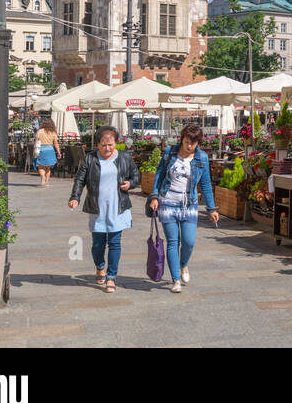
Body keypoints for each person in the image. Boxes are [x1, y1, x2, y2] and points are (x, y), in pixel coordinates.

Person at [149, 123, 219, 293]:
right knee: (173, 242)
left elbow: (206, 184)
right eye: (187, 142)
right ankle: (176, 280)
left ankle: (184, 265)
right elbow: (159, 174)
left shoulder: (201, 158)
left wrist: (211, 208)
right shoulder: (170, 152)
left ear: (198, 143)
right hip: (168, 201)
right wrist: (155, 195)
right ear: (182, 139)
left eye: (193, 144)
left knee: (189, 241)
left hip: (189, 203)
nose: (189, 146)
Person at [68, 125, 137, 293]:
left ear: (116, 144)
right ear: (97, 144)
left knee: (114, 243)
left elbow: (135, 175)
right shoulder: (90, 159)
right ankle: (100, 266)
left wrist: (131, 183)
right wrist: (75, 197)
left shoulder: (125, 158)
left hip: (118, 207)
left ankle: (111, 277)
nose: (107, 148)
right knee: (98, 244)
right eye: (103, 145)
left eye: (111, 145)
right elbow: (80, 179)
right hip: (97, 207)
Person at [34, 118, 62, 186]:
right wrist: (58, 152)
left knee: (41, 166)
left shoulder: (40, 131)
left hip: (41, 149)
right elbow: (56, 143)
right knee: (48, 168)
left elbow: (35, 141)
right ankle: (46, 182)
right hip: (50, 149)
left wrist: (35, 150)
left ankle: (42, 177)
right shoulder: (53, 132)